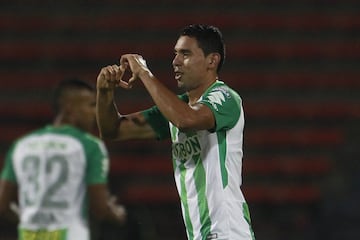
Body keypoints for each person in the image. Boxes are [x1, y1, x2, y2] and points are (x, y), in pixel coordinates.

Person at [96, 24, 255, 240]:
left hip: (227, 231)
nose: (176, 61)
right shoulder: (176, 109)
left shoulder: (225, 97)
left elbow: (186, 120)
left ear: (212, 60)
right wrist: (105, 93)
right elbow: (113, 131)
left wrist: (143, 72)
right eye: (176, 54)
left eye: (186, 54)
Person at [0, 78, 126, 240]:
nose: (95, 112)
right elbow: (100, 208)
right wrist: (117, 214)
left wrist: (29, 218)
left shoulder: (22, 144)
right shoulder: (88, 145)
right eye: (91, 105)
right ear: (69, 109)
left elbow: (3, 205)